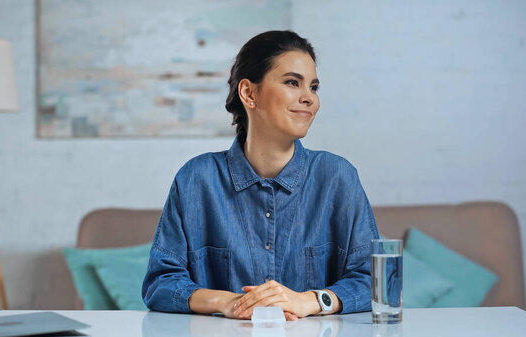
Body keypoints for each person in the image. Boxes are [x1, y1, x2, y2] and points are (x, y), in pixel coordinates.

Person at [142, 30, 379, 321]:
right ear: (248, 93)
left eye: (313, 87)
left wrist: (310, 300)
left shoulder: (337, 177)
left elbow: (374, 281)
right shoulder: (196, 179)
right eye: (293, 82)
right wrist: (230, 303)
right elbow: (160, 284)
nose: (309, 98)